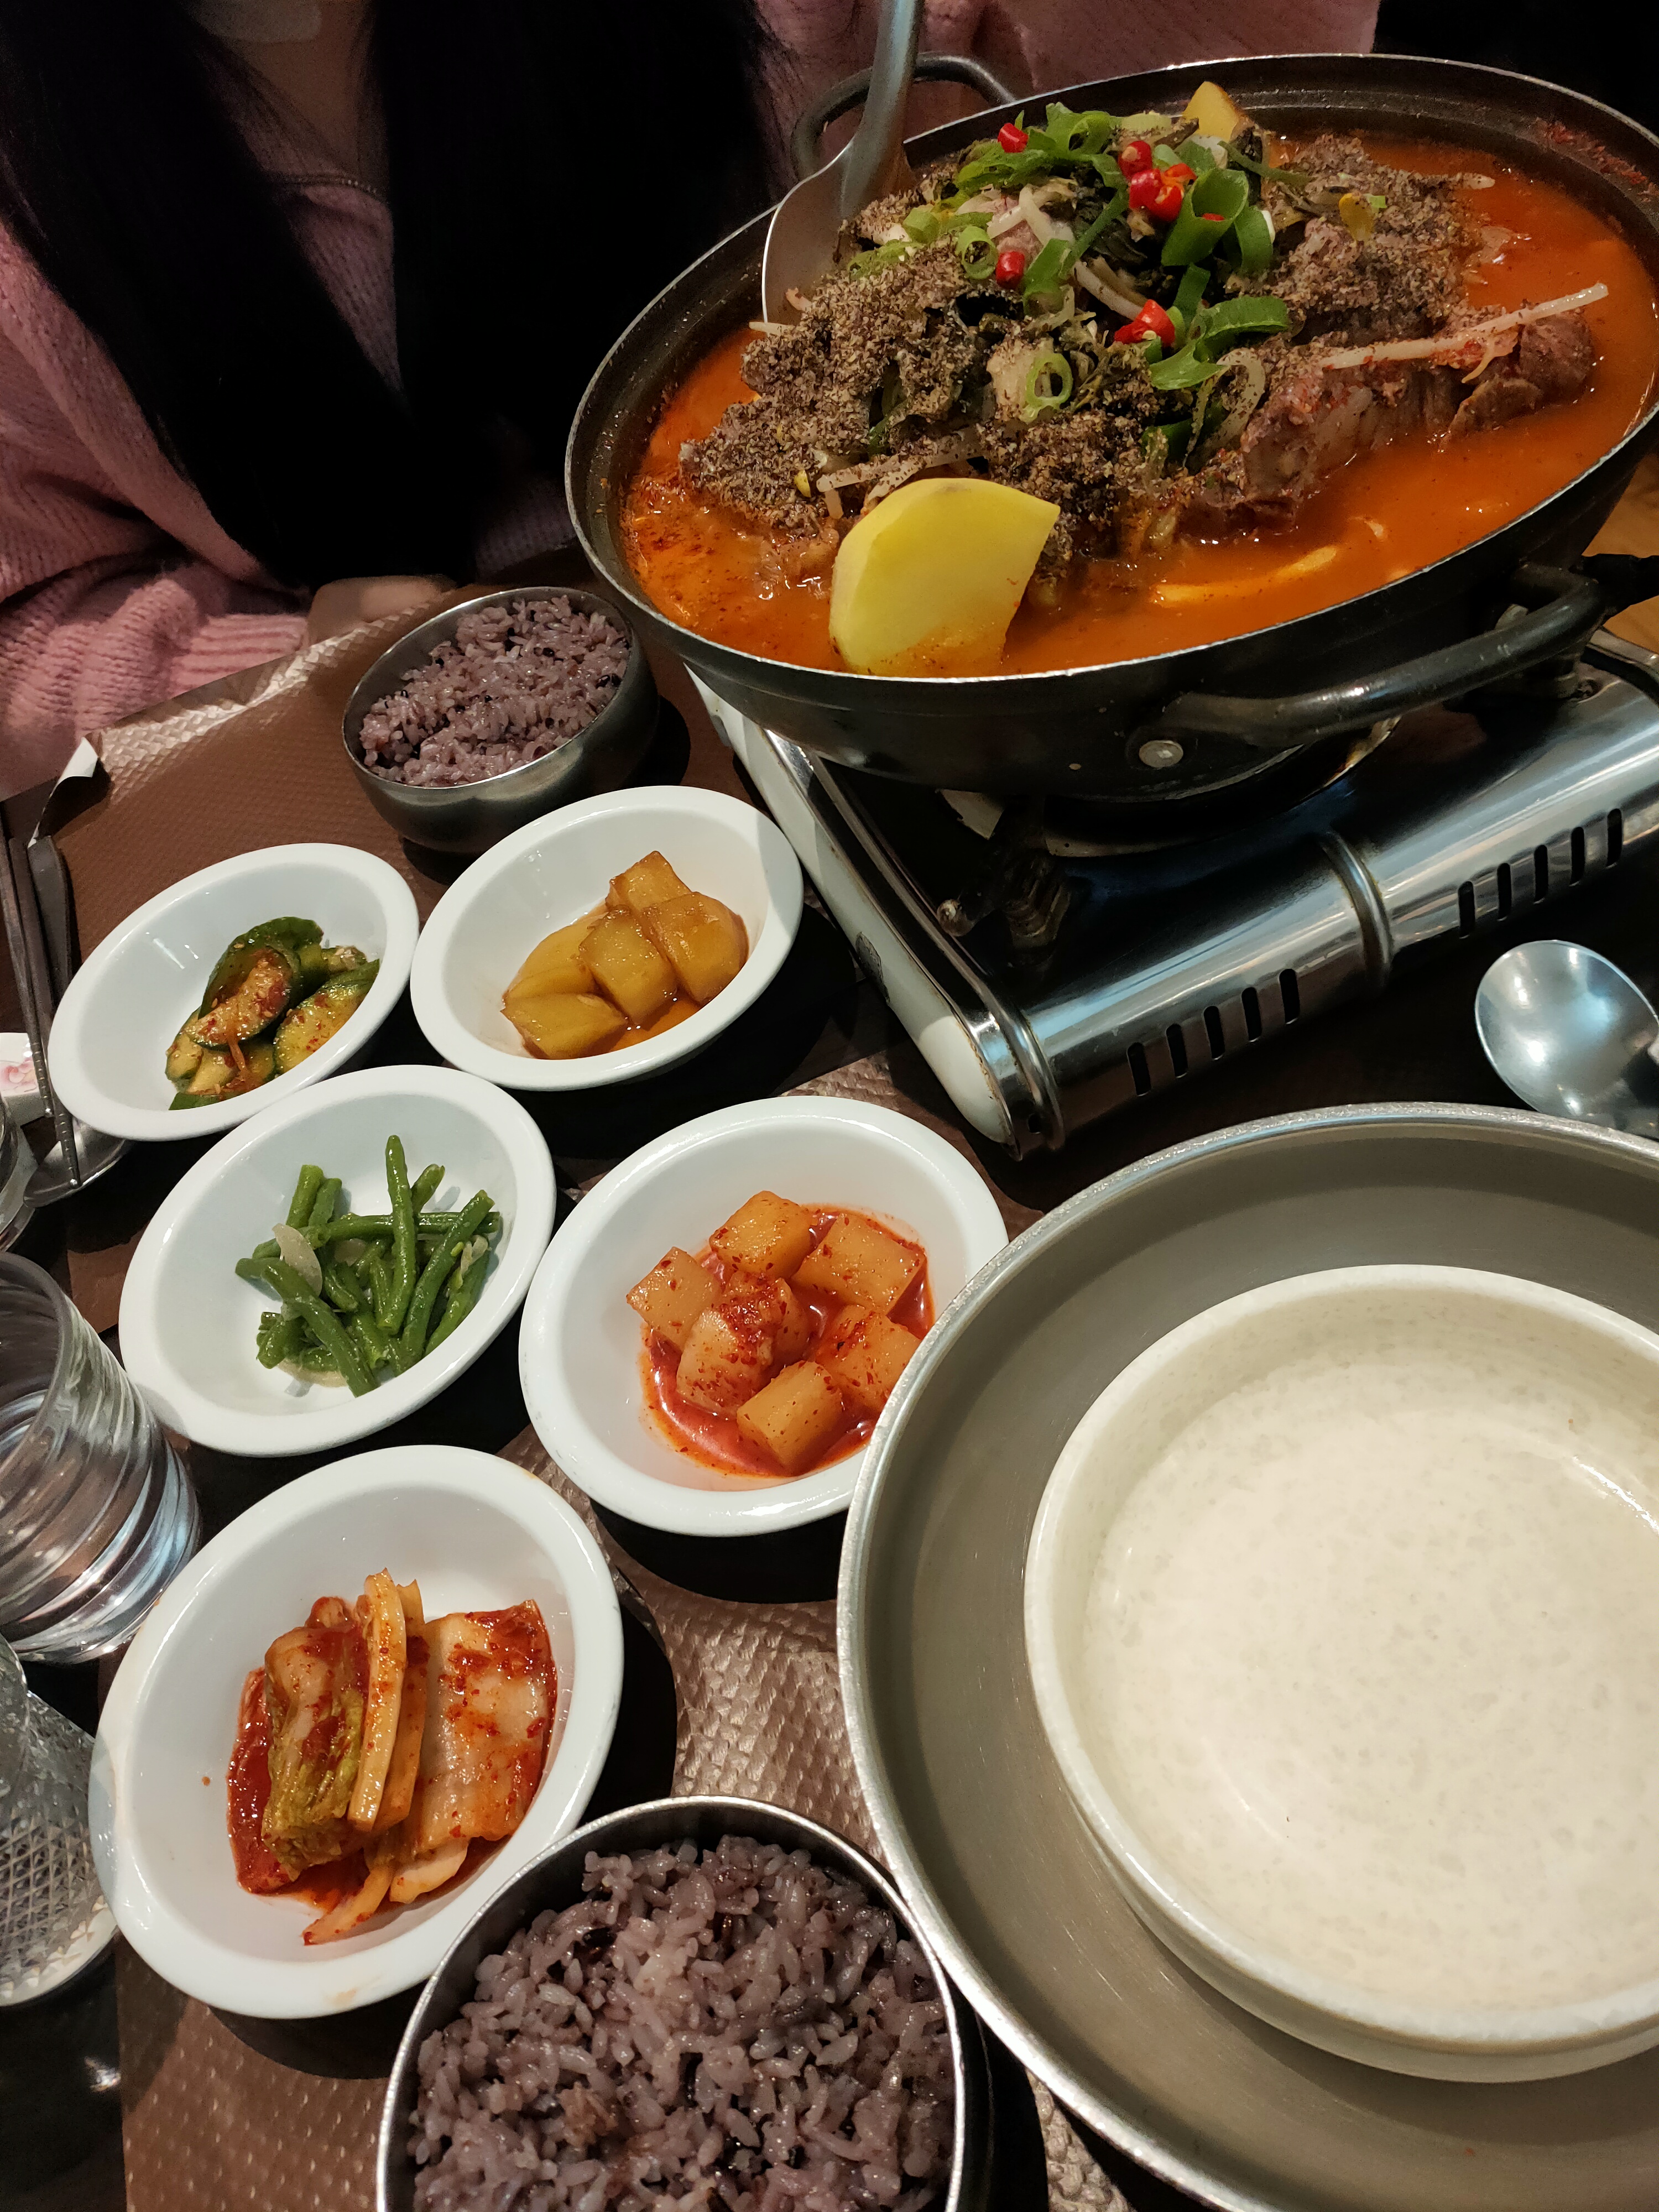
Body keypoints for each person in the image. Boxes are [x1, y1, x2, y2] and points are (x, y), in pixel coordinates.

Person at [0, 0, 1376, 798]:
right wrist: (271, 653)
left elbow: (1226, 106)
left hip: (973, 721)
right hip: (414, 820)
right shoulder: (31, 193)